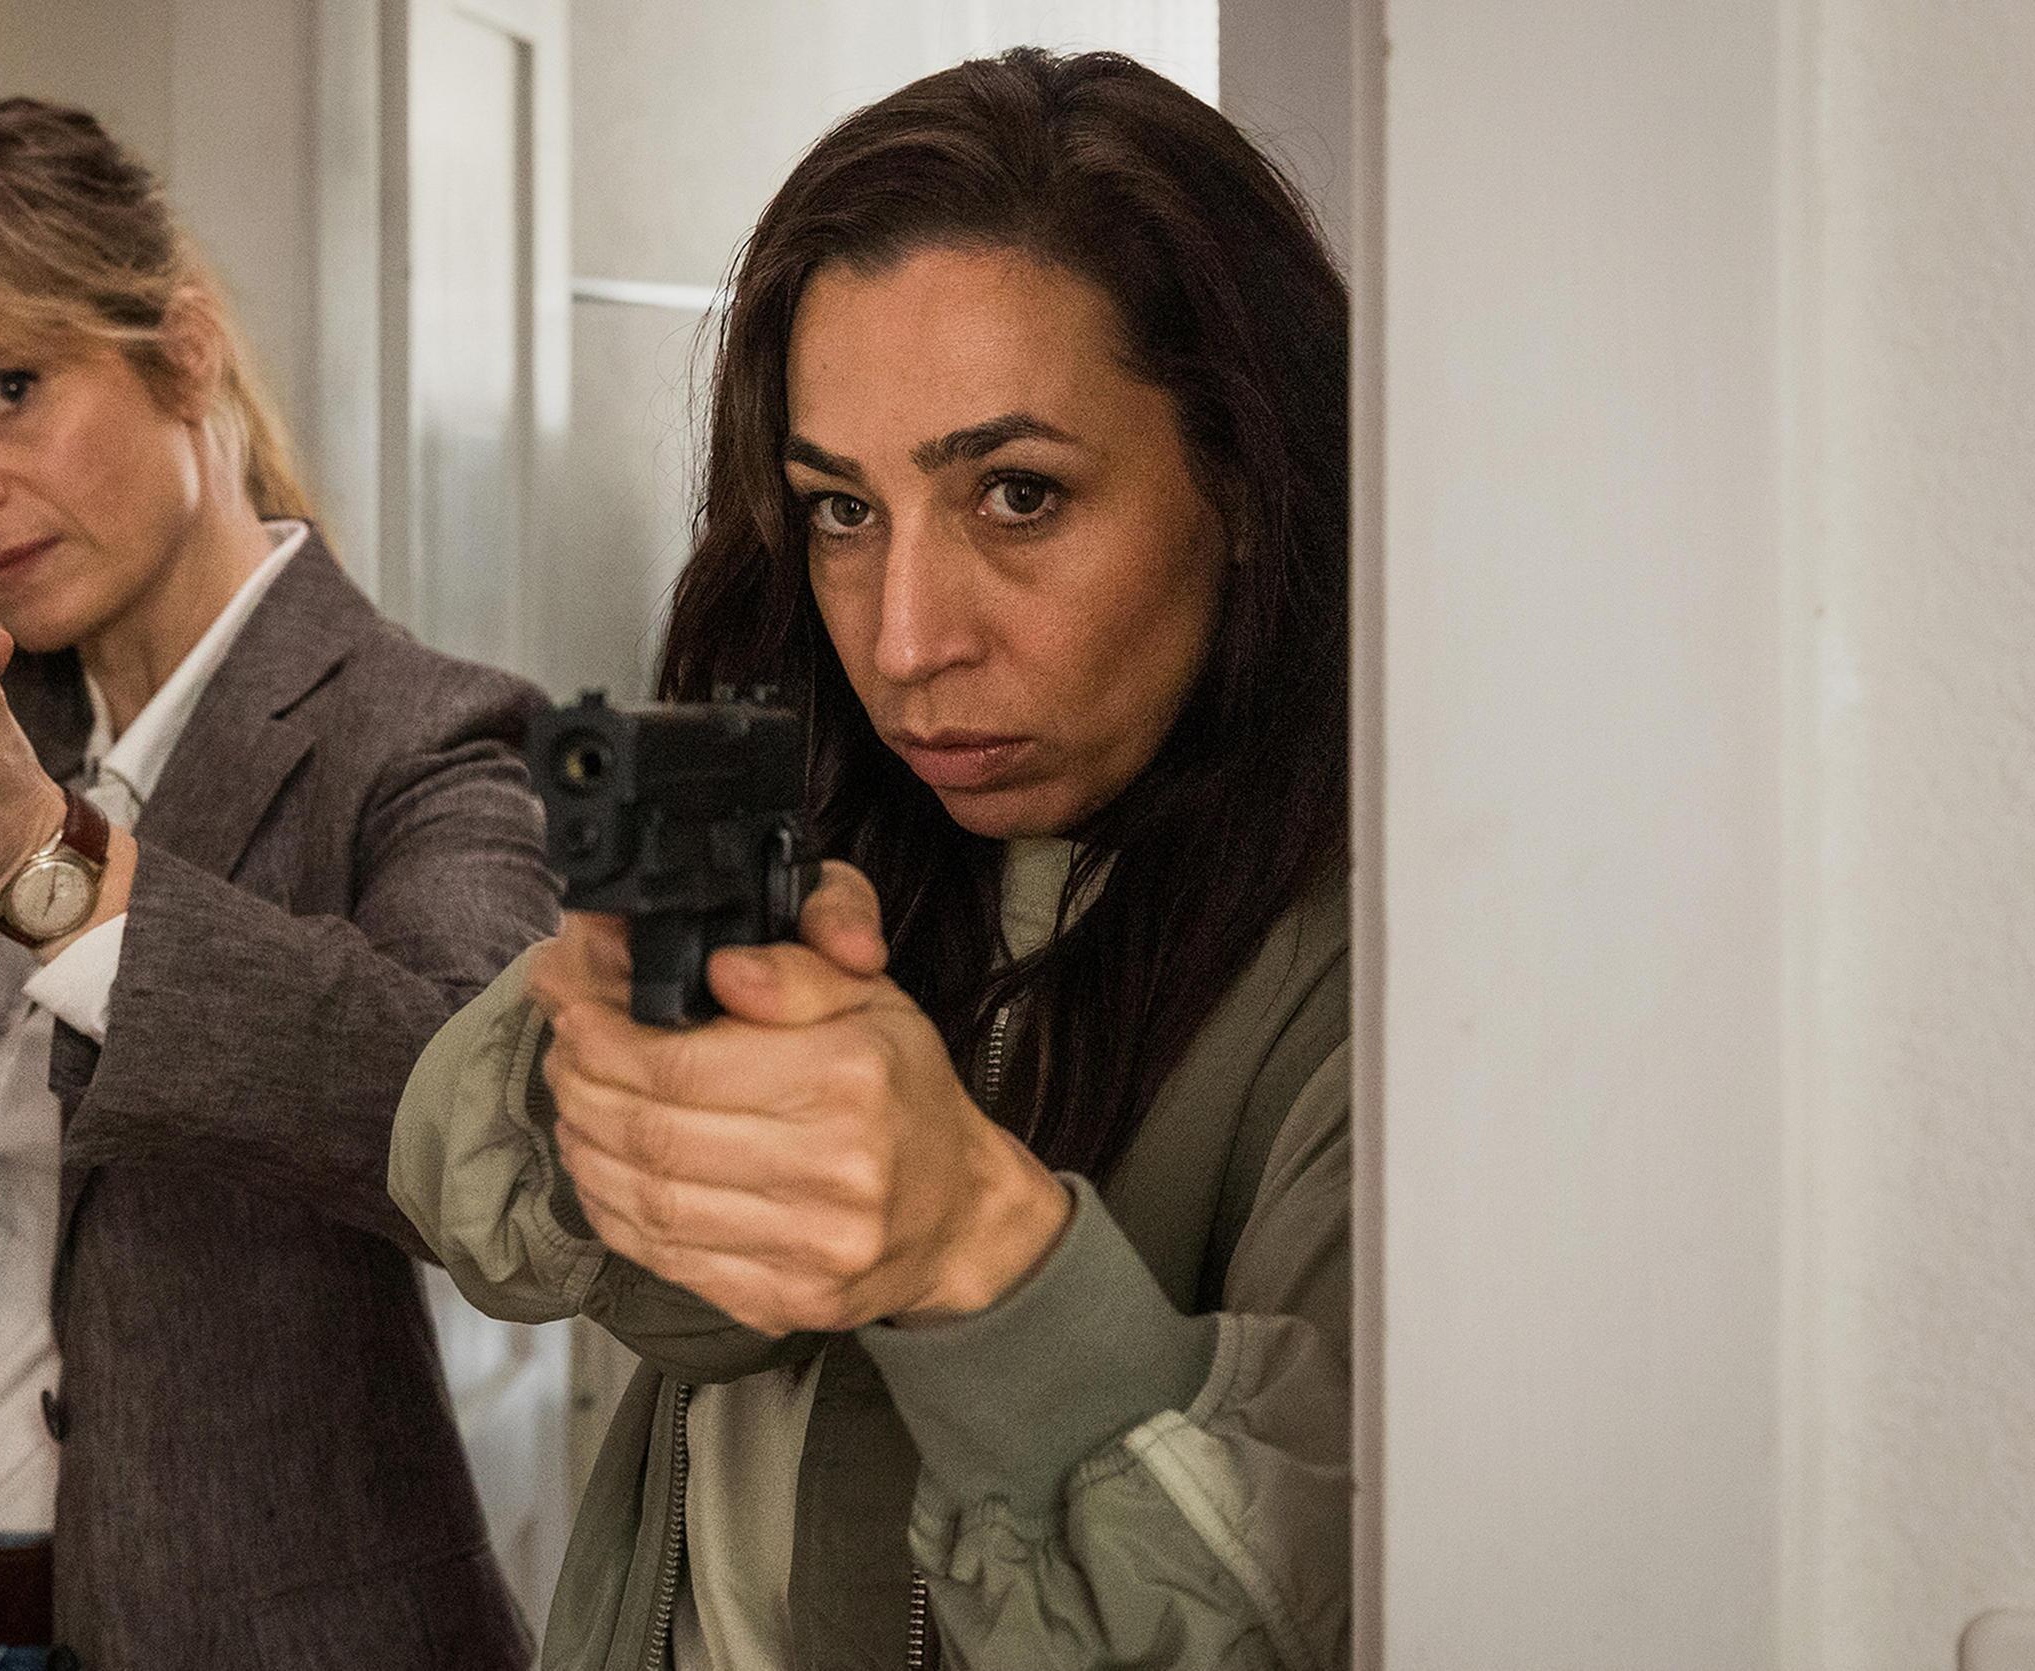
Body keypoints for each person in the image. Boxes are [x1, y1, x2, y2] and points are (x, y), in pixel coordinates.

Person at [392, 49, 1350, 1670]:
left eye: (1019, 495)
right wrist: (615, 1064)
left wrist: (975, 1249)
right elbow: (490, 1208)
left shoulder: (1397, 986)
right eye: (841, 510)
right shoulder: (823, 804)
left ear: (1248, 486)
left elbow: (1331, 1616)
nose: (904, 642)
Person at [0, 98, 553, 1671]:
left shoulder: (426, 731)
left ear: (182, 349)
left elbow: (471, 1114)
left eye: (7, 388)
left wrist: (47, 870)